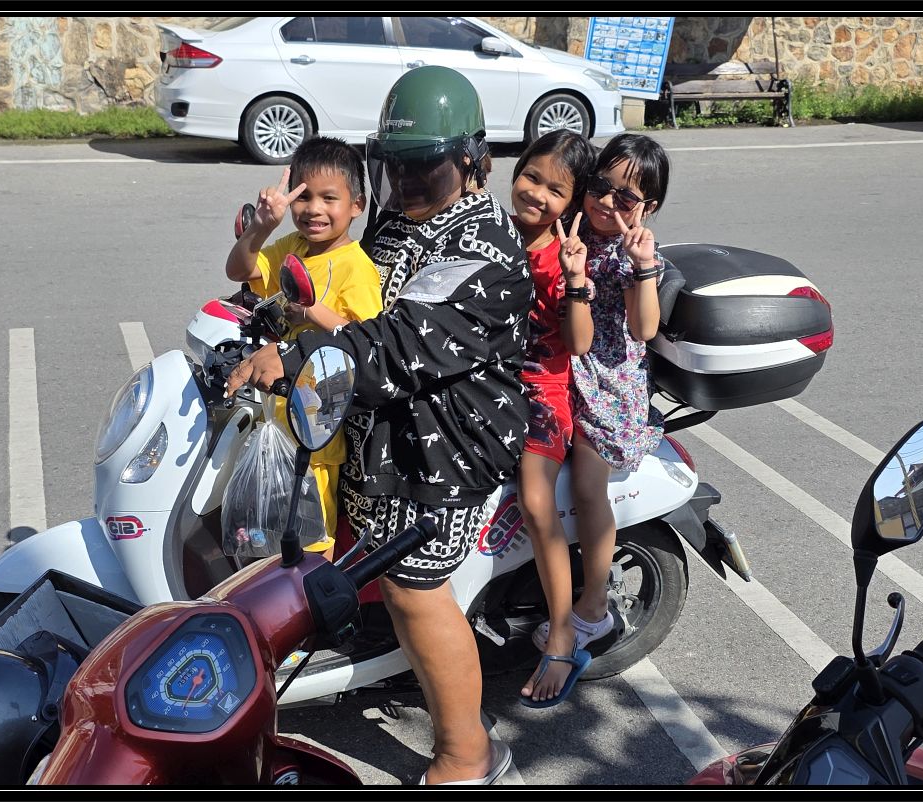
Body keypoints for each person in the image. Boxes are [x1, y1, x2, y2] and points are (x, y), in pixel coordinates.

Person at [226, 66, 531, 785]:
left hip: (443, 446)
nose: (408, 186)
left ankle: (468, 754)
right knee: (381, 579)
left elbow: (397, 343)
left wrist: (292, 356)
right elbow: (344, 289)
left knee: (415, 592)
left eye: (425, 169)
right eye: (395, 168)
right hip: (379, 433)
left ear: (473, 159)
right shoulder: (403, 218)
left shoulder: (481, 247)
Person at [528, 133, 670, 693]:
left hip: (608, 386)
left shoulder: (635, 253)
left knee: (588, 487)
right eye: (600, 187)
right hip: (559, 367)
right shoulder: (573, 230)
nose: (607, 203)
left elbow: (643, 328)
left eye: (625, 198)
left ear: (647, 207)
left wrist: (641, 267)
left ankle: (593, 605)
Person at [226, 135, 382, 558]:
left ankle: (311, 593)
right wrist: (262, 227)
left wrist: (312, 311)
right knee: (268, 531)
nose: (314, 209)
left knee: (310, 536)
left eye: (329, 198)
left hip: (317, 428)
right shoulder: (291, 247)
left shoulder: (357, 267)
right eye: (304, 197)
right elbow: (238, 269)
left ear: (357, 205)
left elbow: (367, 338)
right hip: (275, 413)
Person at [506, 130, 599, 708]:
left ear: (572, 202)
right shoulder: (488, 229)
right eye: (531, 176)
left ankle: (562, 634)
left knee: (535, 499)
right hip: (486, 379)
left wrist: (573, 279)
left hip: (541, 388)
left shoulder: (563, 256)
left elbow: (578, 342)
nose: (537, 194)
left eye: (555, 189)